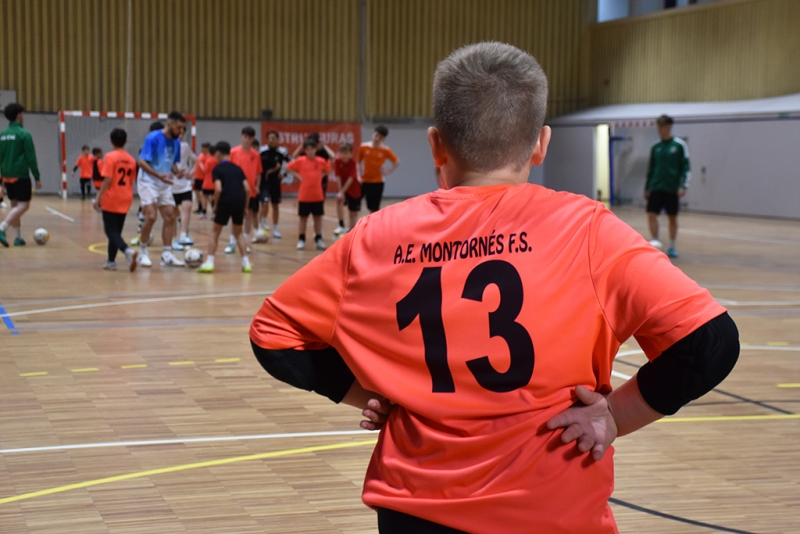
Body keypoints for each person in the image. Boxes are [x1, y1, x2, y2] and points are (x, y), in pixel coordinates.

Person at [249, 42, 740, 533]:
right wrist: (613, 415)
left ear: (436, 145)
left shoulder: (374, 237)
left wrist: (367, 393)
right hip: (553, 510)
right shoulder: (586, 230)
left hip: (415, 509)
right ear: (541, 144)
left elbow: (272, 334)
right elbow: (709, 344)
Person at [136, 111, 186, 267]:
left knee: (170, 216)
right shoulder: (153, 138)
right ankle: (142, 252)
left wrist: (178, 172)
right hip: (148, 181)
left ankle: (167, 254)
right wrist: (158, 175)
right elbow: (141, 162)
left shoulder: (176, 142)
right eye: (179, 127)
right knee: (151, 216)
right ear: (169, 125)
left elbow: (171, 162)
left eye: (183, 128)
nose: (181, 131)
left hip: (163, 182)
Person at [197, 142, 251, 273]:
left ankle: (209, 262)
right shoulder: (238, 169)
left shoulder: (217, 169)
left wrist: (216, 205)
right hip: (239, 201)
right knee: (239, 232)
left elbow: (218, 189)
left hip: (225, 201)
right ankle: (246, 263)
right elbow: (248, 188)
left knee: (215, 232)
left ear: (219, 153)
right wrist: (245, 206)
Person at [645, 114, 690, 259]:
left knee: (672, 217)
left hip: (671, 188)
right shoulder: (655, 147)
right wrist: (647, 187)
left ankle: (671, 246)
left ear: (669, 126)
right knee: (651, 214)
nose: (660, 130)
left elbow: (686, 167)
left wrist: (683, 185)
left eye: (662, 127)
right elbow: (651, 168)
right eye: (658, 127)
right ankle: (655, 242)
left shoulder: (679, 145)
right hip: (656, 186)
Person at [94, 128, 138, 272]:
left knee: (110, 231)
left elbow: (108, 179)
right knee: (116, 231)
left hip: (112, 196)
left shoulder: (110, 157)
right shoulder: (131, 159)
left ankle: (127, 251)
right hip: (126, 196)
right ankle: (111, 261)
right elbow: (132, 180)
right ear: (125, 141)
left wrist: (98, 197)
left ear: (111, 141)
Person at [0, 103, 42, 247]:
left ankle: (18, 238)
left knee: (14, 205)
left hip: (6, 174)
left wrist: (2, 176)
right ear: (18, 115)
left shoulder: (3, 134)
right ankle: (2, 228)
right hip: (20, 174)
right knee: (24, 205)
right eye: (23, 114)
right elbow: (31, 157)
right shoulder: (24, 134)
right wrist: (36, 176)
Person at [285, 139, 330, 250]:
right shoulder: (301, 160)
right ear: (305, 150)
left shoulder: (320, 161)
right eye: (308, 149)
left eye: (312, 149)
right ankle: (301, 239)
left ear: (316, 149)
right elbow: (288, 167)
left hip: (317, 195)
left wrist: (321, 176)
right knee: (303, 218)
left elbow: (328, 169)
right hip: (304, 195)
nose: (310, 151)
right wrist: (297, 176)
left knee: (317, 218)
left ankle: (319, 239)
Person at [225, 126, 262, 253]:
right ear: (241, 136)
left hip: (250, 190)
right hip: (236, 189)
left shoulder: (256, 155)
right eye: (244, 136)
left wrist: (257, 185)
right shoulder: (233, 152)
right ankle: (232, 243)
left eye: (249, 137)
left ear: (252, 139)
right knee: (235, 216)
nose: (246, 139)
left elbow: (258, 172)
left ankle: (244, 242)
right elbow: (229, 169)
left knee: (249, 216)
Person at [357, 125, 399, 213]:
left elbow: (396, 161)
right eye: (376, 135)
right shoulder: (363, 147)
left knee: (374, 207)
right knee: (356, 203)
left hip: (378, 182)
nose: (377, 138)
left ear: (383, 138)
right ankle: (356, 224)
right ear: (373, 134)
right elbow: (358, 162)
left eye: (380, 137)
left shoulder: (385, 150)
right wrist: (358, 175)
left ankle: (373, 226)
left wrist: (387, 171)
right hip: (364, 181)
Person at [258, 130, 291, 239]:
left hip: (275, 183)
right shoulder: (262, 151)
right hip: (264, 183)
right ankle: (262, 223)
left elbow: (292, 163)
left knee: (275, 206)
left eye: (273, 138)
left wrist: (284, 174)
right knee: (265, 202)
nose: (271, 140)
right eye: (269, 138)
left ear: (278, 140)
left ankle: (275, 229)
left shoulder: (282, 152)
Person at [170, 125, 198, 250]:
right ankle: (173, 239)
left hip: (185, 183)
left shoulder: (185, 146)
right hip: (171, 184)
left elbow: (196, 160)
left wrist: (192, 172)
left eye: (183, 134)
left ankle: (183, 235)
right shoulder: (167, 146)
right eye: (179, 133)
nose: (180, 136)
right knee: (173, 212)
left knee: (187, 206)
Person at [334, 143, 361, 232]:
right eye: (342, 153)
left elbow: (351, 179)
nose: (344, 155)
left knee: (352, 212)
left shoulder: (353, 163)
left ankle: (351, 230)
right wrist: (340, 192)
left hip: (354, 189)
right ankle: (341, 225)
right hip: (343, 188)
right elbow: (338, 176)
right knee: (339, 200)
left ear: (350, 154)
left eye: (346, 153)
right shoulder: (338, 161)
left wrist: (342, 191)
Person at [194, 142, 212, 217]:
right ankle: (200, 207)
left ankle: (213, 205)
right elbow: (197, 165)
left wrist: (201, 166)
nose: (202, 149)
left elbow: (205, 169)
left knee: (205, 195)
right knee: (197, 192)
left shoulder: (209, 157)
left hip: (204, 178)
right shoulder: (200, 155)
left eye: (204, 148)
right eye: (202, 148)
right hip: (197, 177)